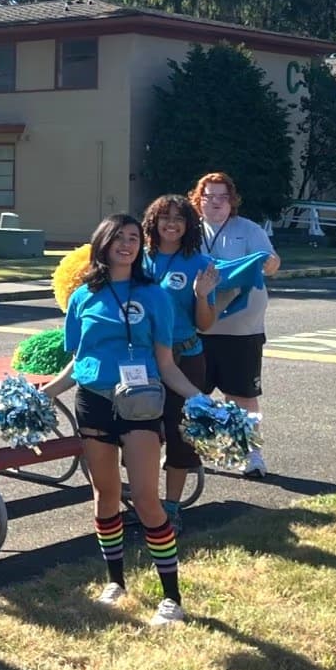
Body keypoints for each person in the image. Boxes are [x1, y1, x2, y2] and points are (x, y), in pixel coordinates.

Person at [43, 215, 206, 626]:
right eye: (118, 237)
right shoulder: (83, 297)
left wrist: (200, 399)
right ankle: (115, 582)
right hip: (93, 402)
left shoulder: (155, 296)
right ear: (103, 243)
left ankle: (172, 599)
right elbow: (78, 360)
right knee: (105, 494)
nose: (127, 244)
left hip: (141, 404)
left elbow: (166, 363)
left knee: (147, 499)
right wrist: (45, 393)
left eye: (133, 238)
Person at [141, 194, 221, 532]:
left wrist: (202, 295)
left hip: (185, 358)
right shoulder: (137, 257)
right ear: (153, 222)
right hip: (142, 360)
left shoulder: (200, 263)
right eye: (165, 217)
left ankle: (171, 507)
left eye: (179, 218)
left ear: (189, 225)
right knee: (140, 432)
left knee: (181, 435)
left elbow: (206, 324)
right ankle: (144, 501)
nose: (171, 224)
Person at [192, 172, 280, 477]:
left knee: (241, 395)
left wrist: (270, 263)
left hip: (242, 329)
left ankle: (249, 453)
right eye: (209, 197)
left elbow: (271, 263)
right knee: (192, 394)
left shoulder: (249, 230)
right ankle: (188, 450)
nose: (216, 203)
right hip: (197, 327)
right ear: (199, 200)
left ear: (232, 201)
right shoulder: (189, 230)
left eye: (223, 197)